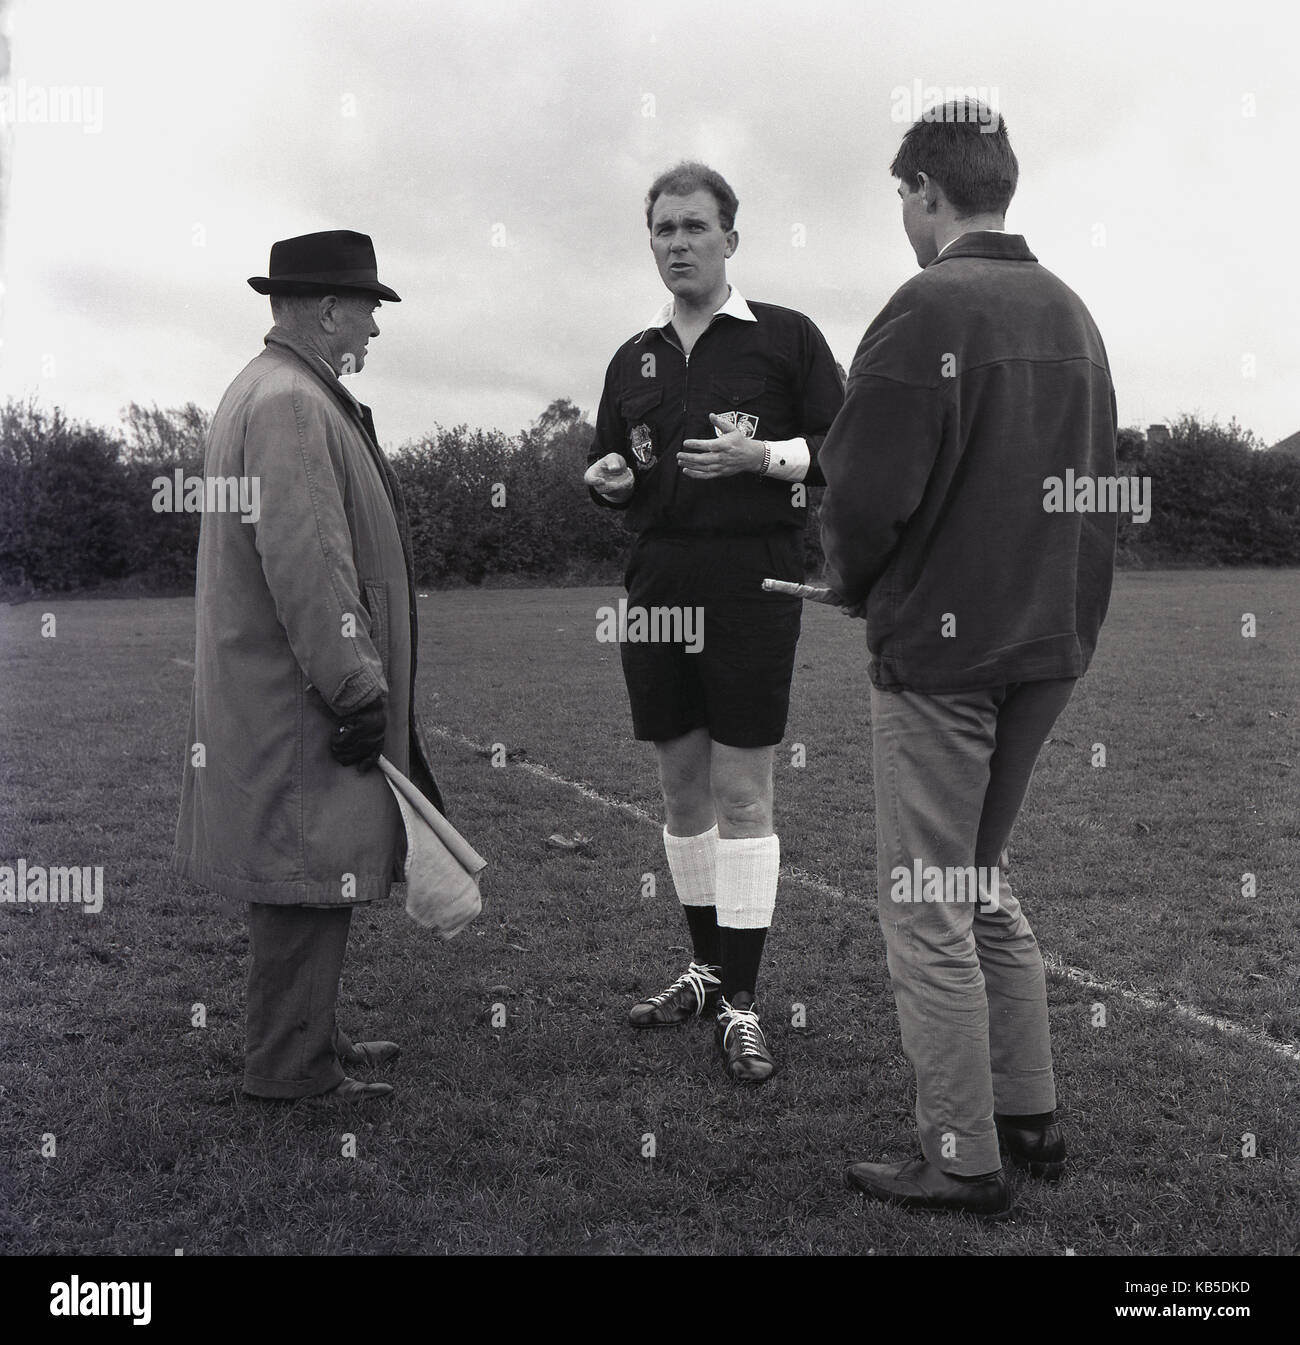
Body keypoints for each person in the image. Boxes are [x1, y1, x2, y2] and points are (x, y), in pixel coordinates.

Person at [819, 103, 1118, 1217]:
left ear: (926, 192)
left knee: (927, 897)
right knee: (975, 877)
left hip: (947, 658)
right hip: (1048, 643)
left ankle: (962, 1154)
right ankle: (1027, 1111)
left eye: (902, 196)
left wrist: (852, 586)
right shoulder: (1071, 310)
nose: (901, 216)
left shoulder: (926, 303)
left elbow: (862, 490)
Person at [586, 162, 844, 1084]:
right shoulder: (632, 357)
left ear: (731, 238)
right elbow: (612, 464)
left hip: (754, 581)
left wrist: (762, 455)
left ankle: (742, 1000)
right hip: (657, 585)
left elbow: (841, 450)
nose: (678, 244)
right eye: (663, 230)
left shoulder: (787, 338)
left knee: (742, 793)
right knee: (680, 790)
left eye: (695, 227)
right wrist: (604, 479)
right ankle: (703, 966)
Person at [173, 230, 444, 1102]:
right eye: (367, 308)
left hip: (279, 690)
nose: (374, 326)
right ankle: (292, 1069)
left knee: (307, 870)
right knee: (304, 870)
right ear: (327, 309)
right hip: (301, 695)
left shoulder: (273, 386)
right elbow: (308, 559)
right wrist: (357, 682)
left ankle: (309, 1037)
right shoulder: (292, 401)